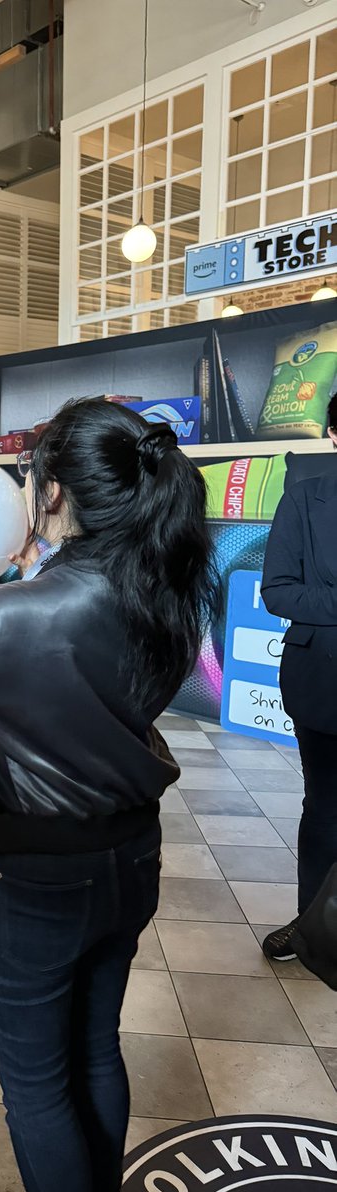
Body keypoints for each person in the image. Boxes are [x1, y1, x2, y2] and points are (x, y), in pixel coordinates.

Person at [0, 398, 220, 1192]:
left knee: (36, 1089)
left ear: (51, 492)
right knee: (96, 1048)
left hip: (30, 885)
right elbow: (72, 650)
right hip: (131, 860)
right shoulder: (160, 590)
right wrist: (37, 567)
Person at [260, 391, 337, 962]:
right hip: (324, 684)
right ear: (333, 436)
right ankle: (316, 927)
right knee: (327, 811)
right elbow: (278, 592)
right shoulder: (305, 499)